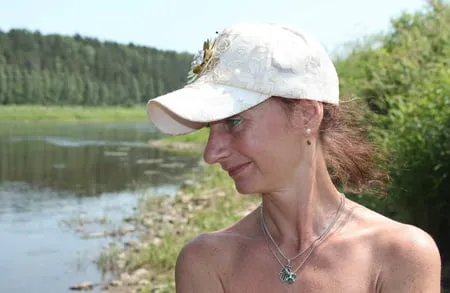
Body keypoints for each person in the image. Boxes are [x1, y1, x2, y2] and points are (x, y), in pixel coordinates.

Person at [146, 23, 441, 293]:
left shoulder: (401, 255)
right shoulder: (206, 262)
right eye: (211, 127)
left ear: (306, 115)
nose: (211, 154)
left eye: (234, 121)